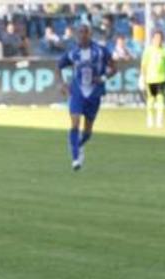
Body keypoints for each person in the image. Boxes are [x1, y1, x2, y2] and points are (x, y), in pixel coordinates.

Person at [58, 22, 116, 171]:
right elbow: (59, 66)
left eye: (85, 32)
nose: (82, 35)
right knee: (74, 123)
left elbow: (114, 68)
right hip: (77, 91)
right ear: (77, 35)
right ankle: (76, 157)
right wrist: (62, 83)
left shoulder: (101, 51)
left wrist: (102, 78)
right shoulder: (73, 52)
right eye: (80, 32)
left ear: (90, 34)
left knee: (88, 131)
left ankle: (80, 145)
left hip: (94, 93)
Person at [140, 31, 165, 128]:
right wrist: (142, 76)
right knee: (151, 100)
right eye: (156, 38)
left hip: (162, 79)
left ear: (162, 39)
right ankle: (150, 119)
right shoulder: (148, 50)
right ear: (153, 39)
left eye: (159, 38)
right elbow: (143, 65)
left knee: (160, 99)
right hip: (150, 79)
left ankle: (159, 120)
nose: (158, 40)